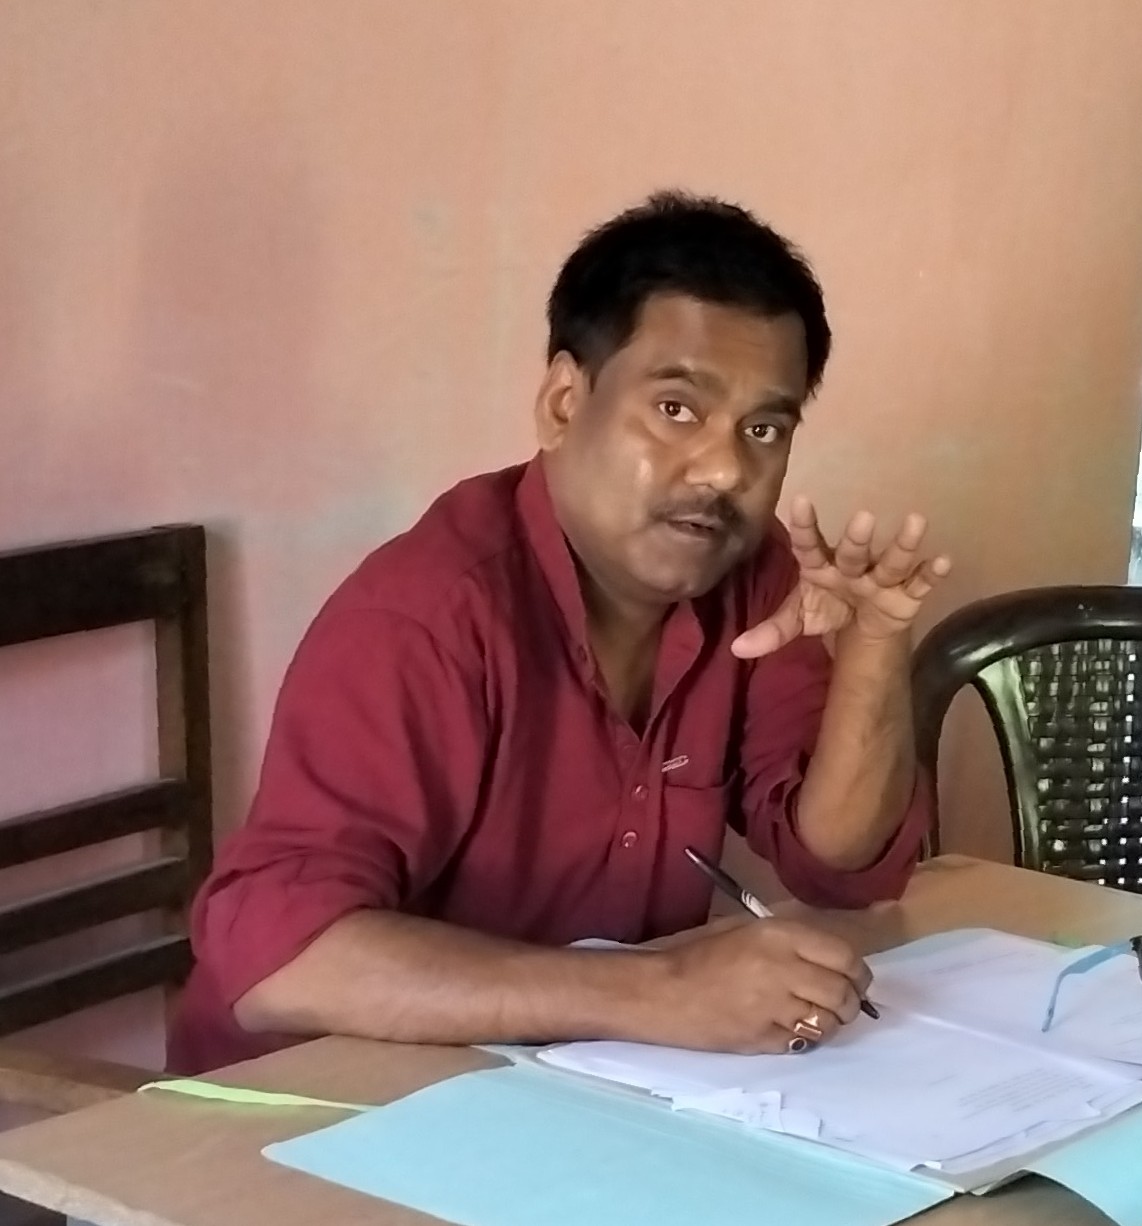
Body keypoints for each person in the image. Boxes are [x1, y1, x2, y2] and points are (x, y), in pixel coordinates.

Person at [167, 190, 949, 1075]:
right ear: (565, 403)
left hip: (568, 1084)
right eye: (677, 410)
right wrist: (656, 992)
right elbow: (278, 959)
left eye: (763, 429)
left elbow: (838, 865)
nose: (725, 469)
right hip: (314, 1103)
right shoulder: (425, 616)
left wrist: (875, 649)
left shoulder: (752, 574)